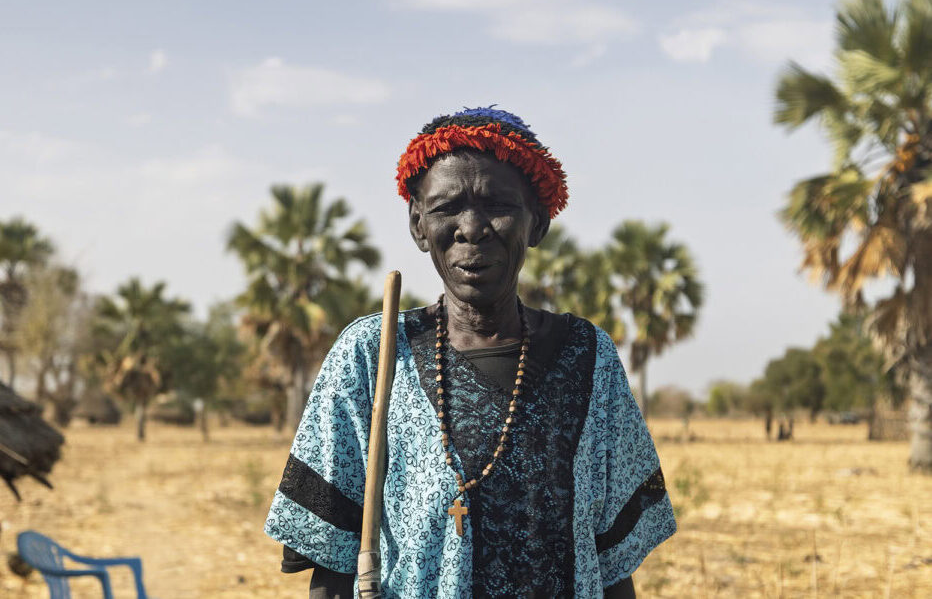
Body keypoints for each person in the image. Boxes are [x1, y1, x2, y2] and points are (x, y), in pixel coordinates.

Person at [265, 107, 676, 598]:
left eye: (498, 205)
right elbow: (330, 569)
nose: (472, 228)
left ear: (538, 223)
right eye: (445, 209)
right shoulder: (372, 356)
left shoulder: (588, 358)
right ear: (418, 226)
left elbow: (612, 568)